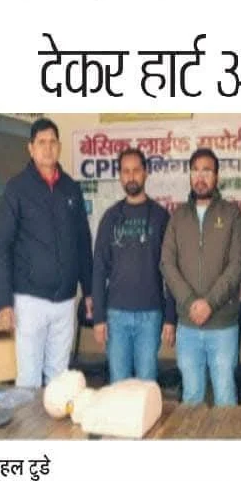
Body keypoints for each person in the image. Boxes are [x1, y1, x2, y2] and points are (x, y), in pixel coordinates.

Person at [0, 117, 93, 388]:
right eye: (41, 143)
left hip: (65, 301)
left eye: (52, 142)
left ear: (59, 146)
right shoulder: (17, 189)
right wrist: (4, 303)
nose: (48, 148)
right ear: (31, 148)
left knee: (59, 379)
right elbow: (2, 247)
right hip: (29, 301)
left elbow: (83, 244)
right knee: (29, 380)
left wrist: (89, 291)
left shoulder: (71, 188)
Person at [160, 148, 241, 405]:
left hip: (222, 325)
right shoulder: (178, 217)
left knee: (225, 397)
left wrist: (209, 303)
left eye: (207, 171)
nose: (200, 177)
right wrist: (190, 302)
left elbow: (238, 265)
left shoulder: (232, 215)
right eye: (195, 171)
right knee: (191, 397)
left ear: (216, 176)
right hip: (188, 326)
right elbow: (167, 264)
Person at [92, 148, 176, 382]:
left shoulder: (161, 217)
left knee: (146, 385)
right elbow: (99, 270)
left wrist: (170, 317)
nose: (131, 176)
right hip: (116, 315)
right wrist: (98, 318)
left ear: (145, 173)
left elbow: (171, 272)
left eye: (136, 170)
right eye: (126, 171)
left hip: (151, 315)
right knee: (118, 384)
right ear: (120, 175)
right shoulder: (110, 217)